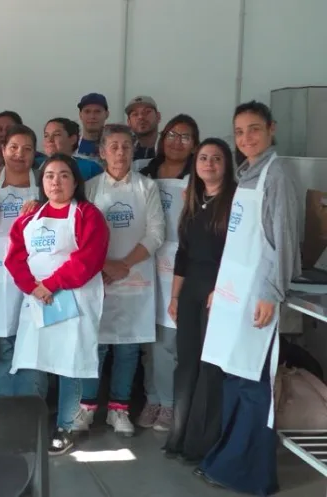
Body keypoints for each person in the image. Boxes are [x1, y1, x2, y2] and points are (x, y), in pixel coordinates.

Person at [197, 101, 302, 496]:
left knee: (253, 385)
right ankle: (227, 462)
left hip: (258, 297)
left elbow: (283, 240)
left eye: (254, 129)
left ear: (271, 129)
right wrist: (220, 289)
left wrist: (270, 293)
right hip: (233, 297)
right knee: (233, 378)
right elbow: (239, 244)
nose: (246, 139)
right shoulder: (246, 175)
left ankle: (252, 474)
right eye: (239, 132)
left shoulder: (278, 174)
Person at [4, 154, 109, 455]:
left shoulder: (89, 215)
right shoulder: (28, 218)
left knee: (70, 364)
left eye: (64, 175)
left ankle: (67, 425)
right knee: (31, 362)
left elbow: (88, 259)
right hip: (37, 302)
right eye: (49, 175)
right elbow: (14, 257)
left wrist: (50, 284)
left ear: (75, 181)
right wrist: (33, 288)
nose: (56, 181)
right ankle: (29, 426)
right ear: (42, 182)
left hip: (73, 303)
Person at [79, 124, 164, 436]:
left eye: (126, 146)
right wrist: (103, 266)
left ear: (133, 151)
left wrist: (123, 265)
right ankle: (86, 408)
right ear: (102, 152)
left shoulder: (147, 188)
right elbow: (80, 235)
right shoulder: (89, 188)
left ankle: (119, 410)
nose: (119, 152)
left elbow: (156, 233)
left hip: (135, 280)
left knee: (128, 349)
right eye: (113, 146)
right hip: (98, 279)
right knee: (95, 347)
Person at [162, 138, 236, 464]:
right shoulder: (193, 200)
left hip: (218, 293)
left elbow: (237, 254)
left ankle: (200, 445)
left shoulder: (235, 201)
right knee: (186, 363)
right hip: (191, 290)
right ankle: (178, 436)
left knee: (210, 368)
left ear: (227, 164)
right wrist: (175, 296)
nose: (209, 164)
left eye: (216, 158)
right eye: (203, 158)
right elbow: (183, 253)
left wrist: (221, 289)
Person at [135, 114, 199, 431]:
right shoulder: (145, 174)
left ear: (195, 145)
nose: (177, 141)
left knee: (171, 341)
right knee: (149, 342)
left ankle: (171, 404)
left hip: (181, 266)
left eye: (185, 136)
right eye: (172, 134)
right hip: (146, 261)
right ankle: (152, 399)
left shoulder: (198, 180)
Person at [0, 125, 43, 397]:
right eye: (13, 147)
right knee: (1, 345)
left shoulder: (44, 182)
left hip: (35, 275)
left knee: (33, 342)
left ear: (35, 153)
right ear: (3, 150)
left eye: (27, 149)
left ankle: (32, 409)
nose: (19, 154)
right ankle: (3, 410)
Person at [76, 93, 109, 161]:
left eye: (97, 111)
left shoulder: (116, 146)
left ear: (106, 114)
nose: (92, 116)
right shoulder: (71, 146)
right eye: (87, 111)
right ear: (80, 115)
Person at [127, 96, 161, 161]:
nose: (141, 117)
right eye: (135, 114)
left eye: (147, 112)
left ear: (158, 117)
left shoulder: (172, 147)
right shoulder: (123, 151)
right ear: (129, 122)